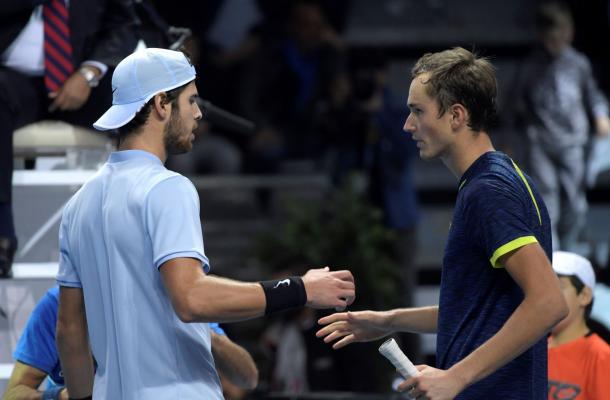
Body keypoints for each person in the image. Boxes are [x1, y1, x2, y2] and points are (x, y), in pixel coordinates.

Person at [55, 48, 355, 400]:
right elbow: (191, 298)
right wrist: (300, 289)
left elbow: (69, 330)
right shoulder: (168, 188)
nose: (199, 114)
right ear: (161, 104)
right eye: (192, 100)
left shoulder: (77, 204)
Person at [316, 47, 568, 399]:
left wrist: (456, 377)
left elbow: (549, 303)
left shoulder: (488, 191)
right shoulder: (503, 179)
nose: (407, 125)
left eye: (418, 111)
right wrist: (386, 321)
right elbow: (473, 310)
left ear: (456, 116)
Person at [0, 0, 139, 278]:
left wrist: (89, 72)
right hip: (12, 79)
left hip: (82, 79)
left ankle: (134, 229)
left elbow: (123, 25)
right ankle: (2, 233)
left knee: (140, 101)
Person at [3, 286, 259, 400]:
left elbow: (247, 378)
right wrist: (62, 396)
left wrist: (202, 331)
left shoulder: (169, 299)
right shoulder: (58, 305)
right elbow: (14, 394)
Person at [511, 1, 610, 250]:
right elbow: (514, 105)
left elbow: (593, 95)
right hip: (541, 142)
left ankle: (567, 248)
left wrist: (600, 115)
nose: (559, 42)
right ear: (542, 36)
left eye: (565, 35)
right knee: (547, 203)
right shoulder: (530, 66)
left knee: (576, 205)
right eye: (554, 37)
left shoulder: (579, 64)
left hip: (573, 144)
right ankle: (553, 260)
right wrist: (510, 138)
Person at [548, 251, 610, 400]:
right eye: (544, 285)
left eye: (559, 285)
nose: (546, 294)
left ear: (584, 296)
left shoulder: (600, 357)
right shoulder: (533, 348)